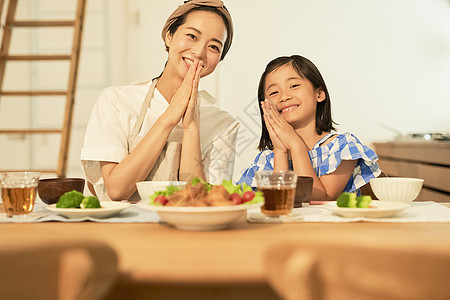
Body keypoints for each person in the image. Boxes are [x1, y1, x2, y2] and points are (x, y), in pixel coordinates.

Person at [81, 0, 239, 202]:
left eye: (214, 46)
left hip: (186, 231)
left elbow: (202, 202)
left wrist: (191, 127)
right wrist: (169, 118)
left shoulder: (223, 124)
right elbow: (117, 190)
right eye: (192, 36)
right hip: (122, 231)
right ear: (169, 36)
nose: (199, 52)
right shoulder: (116, 101)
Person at [235, 55, 381, 200]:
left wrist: (295, 144)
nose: (284, 97)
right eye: (274, 92)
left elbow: (320, 199)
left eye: (294, 86)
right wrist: (280, 151)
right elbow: (278, 203)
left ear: (319, 94)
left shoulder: (342, 147)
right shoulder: (267, 160)